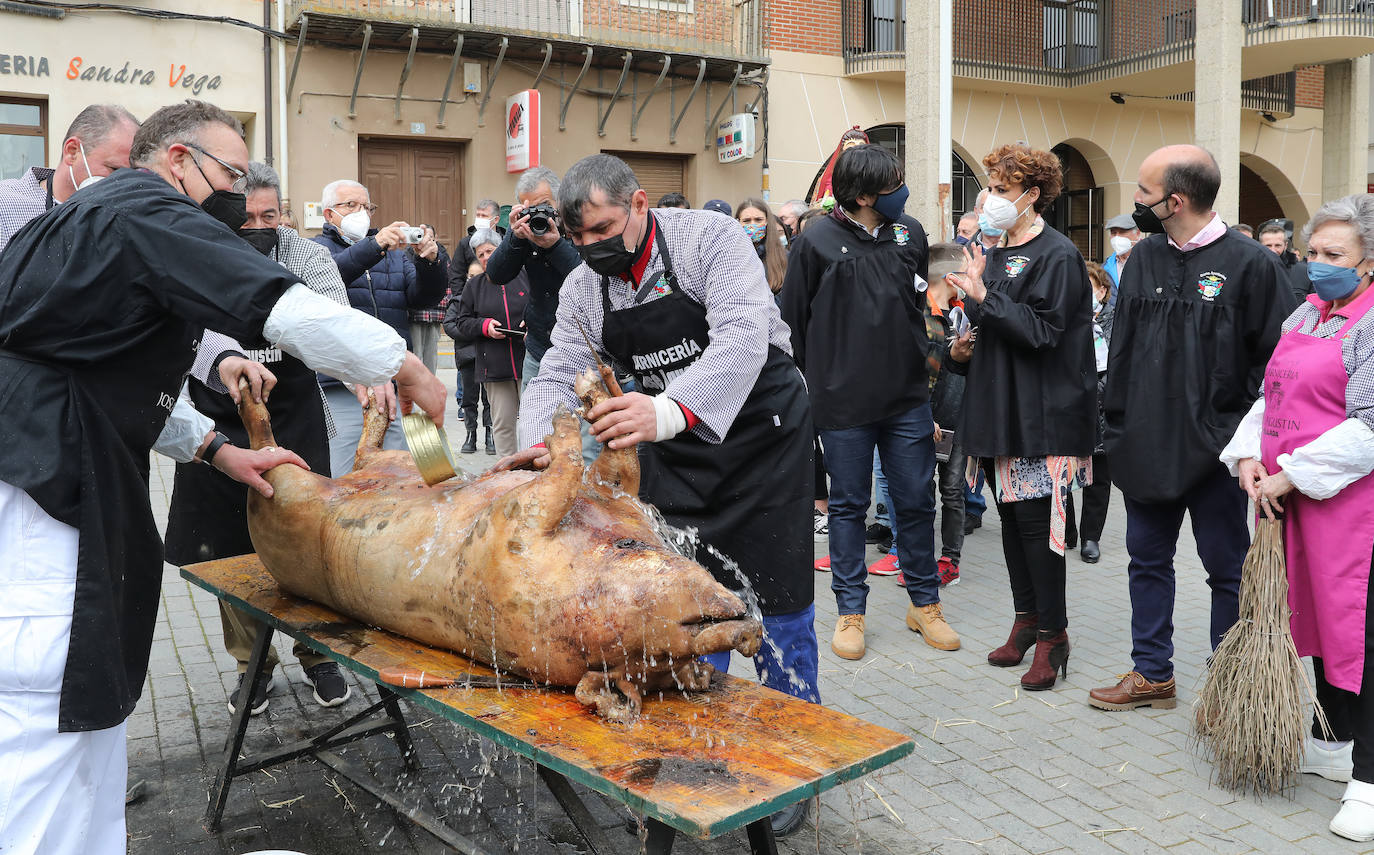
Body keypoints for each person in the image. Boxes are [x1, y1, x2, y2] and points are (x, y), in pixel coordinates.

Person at [0, 98, 446, 855]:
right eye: (231, 174)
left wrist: (218, 450)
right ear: (177, 162)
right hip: (44, 521)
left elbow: (107, 380)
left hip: (56, 484)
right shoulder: (140, 208)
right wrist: (402, 366)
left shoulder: (82, 223)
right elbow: (279, 304)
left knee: (81, 757)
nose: (239, 197)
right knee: (42, 753)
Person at [500, 153, 817, 836]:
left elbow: (742, 337)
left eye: (604, 230)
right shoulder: (588, 288)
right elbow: (559, 368)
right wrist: (540, 440)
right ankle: (700, 755)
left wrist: (665, 412)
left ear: (639, 204)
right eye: (579, 239)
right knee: (684, 607)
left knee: (779, 599)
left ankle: (798, 763)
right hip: (678, 461)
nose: (592, 250)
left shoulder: (711, 240)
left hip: (761, 439)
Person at [1094, 144, 1292, 712]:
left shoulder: (1252, 265)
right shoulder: (1144, 258)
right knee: (1146, 562)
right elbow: (1124, 350)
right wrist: (1120, 424)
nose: (1134, 201)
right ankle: (1153, 673)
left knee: (1227, 569)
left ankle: (1230, 684)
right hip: (1147, 445)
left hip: (1218, 453)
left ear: (1174, 200)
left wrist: (1233, 436)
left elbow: (1274, 364)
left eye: (1142, 192)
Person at [163, 162, 353, 716]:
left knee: (307, 543)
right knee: (227, 547)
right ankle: (252, 663)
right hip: (216, 425)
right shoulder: (194, 254)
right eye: (246, 217)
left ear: (284, 213)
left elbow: (331, 323)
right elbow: (184, 331)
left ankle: (318, 654)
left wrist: (371, 373)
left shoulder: (306, 256)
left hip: (295, 419)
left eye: (269, 215)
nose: (258, 225)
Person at [1221, 193, 1374, 843]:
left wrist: (1296, 470)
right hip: (1290, 505)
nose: (1316, 266)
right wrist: (1249, 455)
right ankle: (1332, 738)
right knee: (1308, 615)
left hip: (1351, 511)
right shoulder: (1305, 315)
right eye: (1312, 253)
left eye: (1333, 255)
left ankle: (1367, 779)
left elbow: (1370, 426)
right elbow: (1271, 394)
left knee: (1358, 632)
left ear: (1368, 262)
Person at [783, 143, 958, 661]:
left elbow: (918, 305)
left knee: (915, 500)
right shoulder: (814, 242)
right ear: (861, 196)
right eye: (891, 187)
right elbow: (793, 326)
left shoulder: (910, 233)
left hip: (907, 398)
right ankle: (850, 611)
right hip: (842, 403)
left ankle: (924, 603)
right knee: (849, 506)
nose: (902, 194)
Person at [949, 143, 1095, 692]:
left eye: (1003, 190)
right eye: (989, 188)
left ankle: (1054, 636)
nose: (991, 200)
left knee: (1039, 531)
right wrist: (965, 341)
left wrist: (985, 294)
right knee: (1011, 525)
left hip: (1041, 416)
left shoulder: (1056, 255)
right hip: (1000, 410)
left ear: (1033, 196)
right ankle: (1026, 620)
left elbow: (1043, 333)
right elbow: (999, 329)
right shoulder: (997, 249)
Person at [312, 178, 448, 477]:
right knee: (351, 479)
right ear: (329, 215)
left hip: (401, 382)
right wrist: (375, 246)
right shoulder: (315, 251)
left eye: (366, 206)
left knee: (433, 474)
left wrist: (431, 261)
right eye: (351, 205)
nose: (361, 212)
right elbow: (332, 277)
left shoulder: (394, 255)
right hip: (344, 387)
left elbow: (424, 297)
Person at [869, 243, 969, 587]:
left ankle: (949, 561)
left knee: (953, 492)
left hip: (959, 419)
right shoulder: (923, 318)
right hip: (924, 421)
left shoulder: (963, 315)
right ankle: (918, 558)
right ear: (951, 277)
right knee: (919, 492)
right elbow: (913, 375)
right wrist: (925, 416)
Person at [485, 166, 581, 384]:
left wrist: (555, 246)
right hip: (538, 349)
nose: (540, 214)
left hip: (579, 350)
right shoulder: (523, 231)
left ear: (561, 201)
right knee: (532, 417)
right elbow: (495, 275)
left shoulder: (579, 225)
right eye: (532, 208)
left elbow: (587, 278)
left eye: (546, 206)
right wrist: (515, 238)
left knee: (582, 418)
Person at [0, 103, 139, 252]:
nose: (122, 183)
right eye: (114, 169)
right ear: (72, 152)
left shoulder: (126, 219)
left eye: (130, 175)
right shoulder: (4, 203)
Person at [448, 229, 529, 457]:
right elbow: (462, 322)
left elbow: (543, 307)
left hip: (528, 360)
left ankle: (538, 472)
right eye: (480, 254)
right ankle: (508, 475)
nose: (484, 258)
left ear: (501, 250)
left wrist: (531, 323)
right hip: (494, 365)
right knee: (503, 424)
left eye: (489, 251)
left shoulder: (524, 275)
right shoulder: (475, 286)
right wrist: (484, 327)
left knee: (535, 420)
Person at [1074, 260, 1114, 565]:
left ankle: (1091, 537)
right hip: (1070, 407)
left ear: (1102, 291)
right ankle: (1064, 532)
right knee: (1062, 473)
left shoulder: (1116, 320)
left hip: (1104, 409)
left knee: (1098, 478)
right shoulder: (1066, 318)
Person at [448, 259, 494, 454]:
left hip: (490, 356)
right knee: (469, 398)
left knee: (490, 398)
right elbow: (449, 325)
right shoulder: (458, 301)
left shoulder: (491, 298)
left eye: (478, 275)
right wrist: (474, 330)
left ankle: (490, 434)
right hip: (468, 357)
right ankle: (470, 434)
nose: (474, 280)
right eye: (471, 276)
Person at [407, 223, 451, 373]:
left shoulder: (443, 256)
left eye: (430, 237)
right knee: (416, 353)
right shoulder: (408, 254)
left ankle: (429, 387)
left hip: (435, 314)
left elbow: (447, 285)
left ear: (436, 238)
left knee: (431, 355)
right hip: (415, 315)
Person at [735, 196, 789, 302]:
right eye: (746, 221)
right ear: (738, 222)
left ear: (767, 222)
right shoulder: (730, 257)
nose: (752, 225)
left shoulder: (784, 257)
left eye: (758, 220)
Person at [807, 126, 869, 210]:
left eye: (861, 147)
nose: (856, 151)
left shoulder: (871, 175)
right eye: (850, 147)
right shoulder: (832, 176)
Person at [450, 198, 504, 294]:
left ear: (496, 219)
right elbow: (456, 275)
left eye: (484, 216)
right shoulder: (465, 243)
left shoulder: (506, 241)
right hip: (473, 295)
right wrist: (460, 299)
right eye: (478, 215)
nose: (480, 219)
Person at [1260, 218, 1313, 302]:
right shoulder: (1252, 271)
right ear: (1260, 245)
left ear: (1285, 245)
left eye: (1277, 245)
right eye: (1268, 245)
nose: (1273, 250)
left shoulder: (1305, 272)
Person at [1101, 212, 1140, 300]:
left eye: (1122, 232)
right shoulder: (1105, 267)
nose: (1117, 237)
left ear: (1137, 233)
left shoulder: (1149, 262)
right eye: (1113, 233)